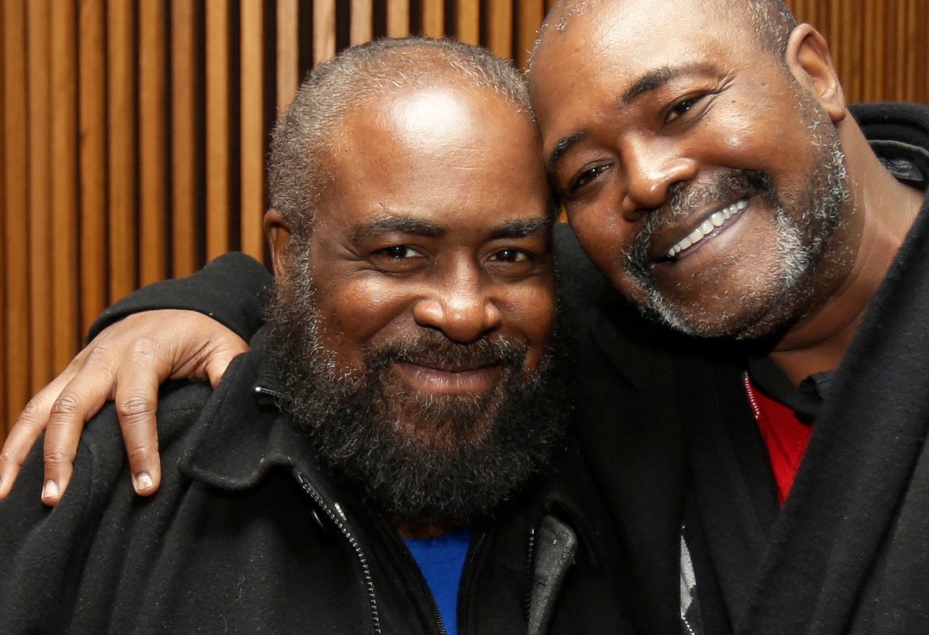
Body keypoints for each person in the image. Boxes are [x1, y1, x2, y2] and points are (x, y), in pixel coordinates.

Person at [5, 0, 929, 631]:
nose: (646, 182)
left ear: (814, 72)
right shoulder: (622, 316)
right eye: (587, 172)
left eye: (682, 105)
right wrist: (189, 309)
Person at [0, 38, 641, 634]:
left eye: (509, 255)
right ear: (289, 257)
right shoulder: (115, 477)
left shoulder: (626, 438)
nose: (464, 312)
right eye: (398, 252)